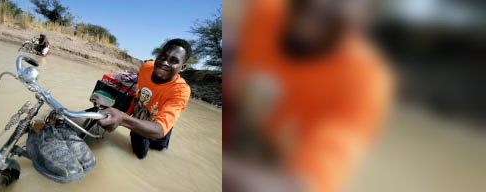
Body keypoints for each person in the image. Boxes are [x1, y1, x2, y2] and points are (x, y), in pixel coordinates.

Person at [223, 0, 394, 191]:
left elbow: (303, 183)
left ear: (363, 21)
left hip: (275, 156)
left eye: (337, 8)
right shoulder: (266, 12)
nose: (320, 6)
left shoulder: (364, 81)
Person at [98, 39, 192, 159]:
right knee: (138, 155)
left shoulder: (181, 90)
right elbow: (138, 92)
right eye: (162, 57)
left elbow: (160, 129)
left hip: (157, 128)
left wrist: (122, 118)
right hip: (138, 124)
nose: (165, 63)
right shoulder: (146, 67)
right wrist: (125, 111)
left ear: (182, 67)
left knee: (159, 149)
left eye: (173, 61)